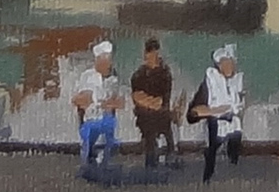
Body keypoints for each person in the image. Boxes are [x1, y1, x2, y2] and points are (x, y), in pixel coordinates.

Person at [183, 45, 247, 180]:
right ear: (219, 66)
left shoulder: (238, 81)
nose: (229, 67)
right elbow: (193, 112)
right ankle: (208, 176)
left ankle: (233, 171)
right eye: (225, 64)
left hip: (233, 121)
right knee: (212, 149)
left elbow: (240, 103)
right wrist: (216, 110)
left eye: (230, 63)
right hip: (215, 121)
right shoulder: (210, 82)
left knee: (235, 143)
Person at [129, 37, 177, 179]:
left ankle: (168, 154)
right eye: (149, 52)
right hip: (144, 113)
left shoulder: (165, 73)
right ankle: (152, 161)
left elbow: (161, 100)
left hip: (161, 112)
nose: (151, 56)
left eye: (154, 53)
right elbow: (136, 97)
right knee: (148, 122)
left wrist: (147, 101)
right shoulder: (139, 74)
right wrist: (148, 102)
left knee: (161, 120)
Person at [72, 42, 121, 180]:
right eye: (106, 60)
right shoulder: (87, 76)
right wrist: (95, 101)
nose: (109, 64)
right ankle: (88, 165)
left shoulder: (113, 77)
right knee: (92, 135)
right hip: (90, 118)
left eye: (109, 60)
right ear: (98, 60)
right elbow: (78, 100)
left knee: (108, 130)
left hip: (106, 117)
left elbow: (113, 100)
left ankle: (103, 164)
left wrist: (110, 106)